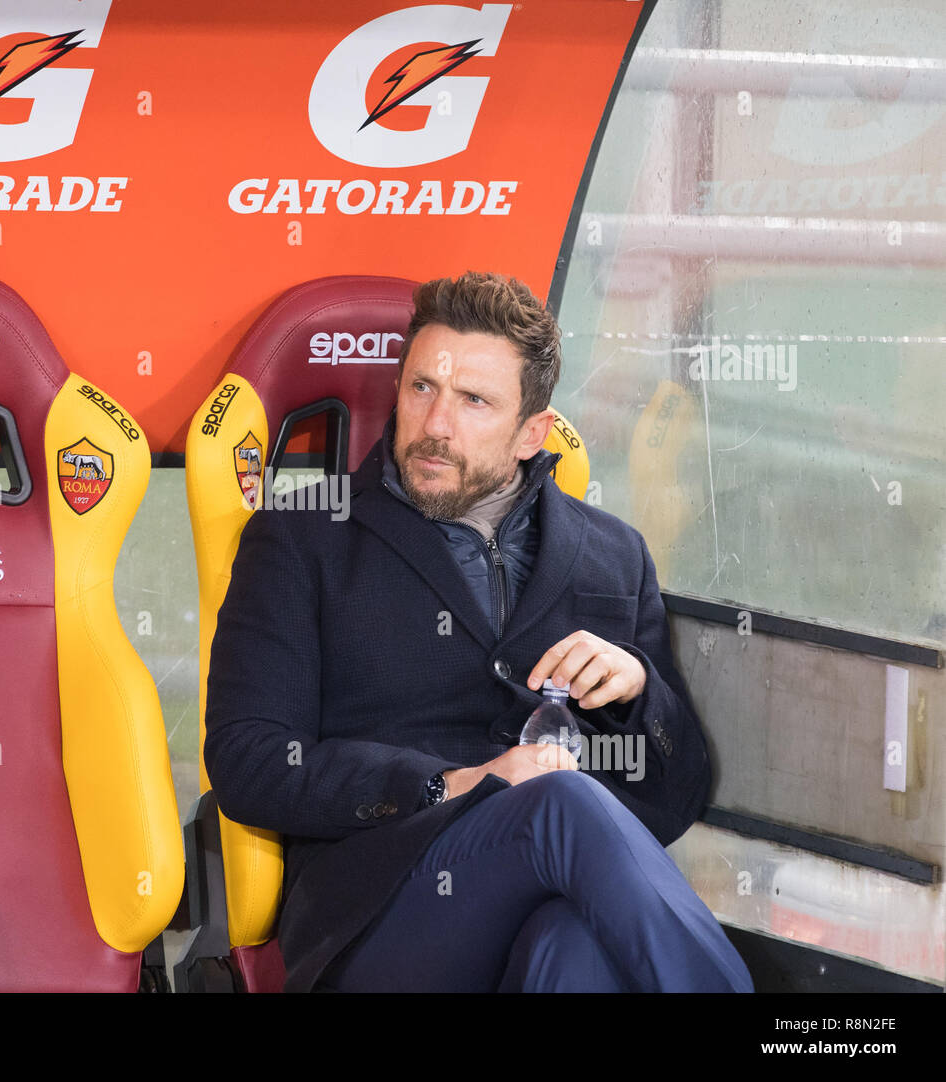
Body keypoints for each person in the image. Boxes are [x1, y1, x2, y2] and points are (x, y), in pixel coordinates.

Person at [203, 271, 753, 992]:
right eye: (422, 387)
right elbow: (250, 761)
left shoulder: (614, 554)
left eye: (474, 401)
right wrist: (453, 783)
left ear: (532, 432)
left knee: (575, 951)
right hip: (381, 915)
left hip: (547, 903)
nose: (435, 424)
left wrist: (639, 693)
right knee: (564, 802)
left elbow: (674, 800)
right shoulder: (303, 538)